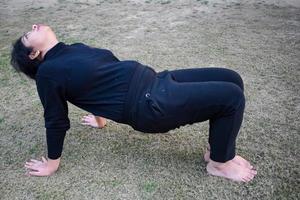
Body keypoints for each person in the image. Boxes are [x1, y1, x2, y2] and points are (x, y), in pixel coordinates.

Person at [10, 24, 257, 182]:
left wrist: (100, 120)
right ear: (33, 54)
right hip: (149, 105)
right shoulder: (48, 73)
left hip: (157, 79)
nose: (33, 26)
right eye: (28, 34)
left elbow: (95, 85)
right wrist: (53, 163)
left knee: (231, 78)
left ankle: (217, 149)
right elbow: (55, 119)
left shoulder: (72, 49)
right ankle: (219, 164)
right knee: (231, 97)